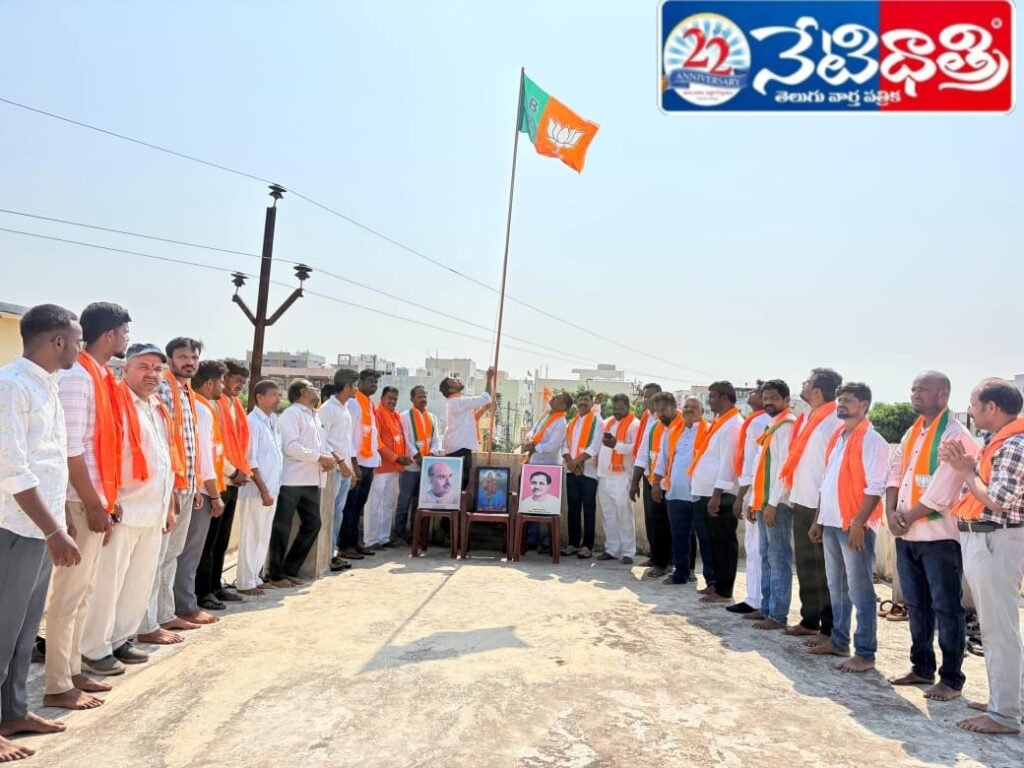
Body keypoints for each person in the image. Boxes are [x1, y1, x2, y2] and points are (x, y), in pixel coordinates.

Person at [0, 305, 81, 761]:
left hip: (41, 527)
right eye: (77, 339)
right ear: (56, 342)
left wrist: (58, 518)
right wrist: (54, 529)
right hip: (13, 528)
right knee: (0, 628)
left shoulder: (47, 385)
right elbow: (12, 470)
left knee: (23, 630)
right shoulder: (11, 386)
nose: (79, 346)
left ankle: (13, 712)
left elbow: (50, 461)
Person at [46, 302, 131, 705]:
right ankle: (58, 685)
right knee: (68, 596)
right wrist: (95, 504)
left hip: (96, 499)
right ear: (111, 335)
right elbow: (71, 450)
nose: (126, 340)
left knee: (83, 593)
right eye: (125, 333)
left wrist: (108, 501)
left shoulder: (98, 377)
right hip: (81, 501)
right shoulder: (79, 378)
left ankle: (73, 671)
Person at [81, 343, 175, 670]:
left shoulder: (157, 408)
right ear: (126, 369)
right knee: (107, 584)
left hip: (153, 510)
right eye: (144, 366)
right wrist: (107, 502)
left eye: (157, 368)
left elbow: (165, 459)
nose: (152, 374)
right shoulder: (114, 401)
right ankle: (93, 649)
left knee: (137, 583)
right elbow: (100, 453)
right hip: (123, 508)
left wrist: (170, 504)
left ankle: (121, 639)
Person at [941, 378, 1024, 735]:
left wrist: (966, 472)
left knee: (998, 630)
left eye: (974, 404)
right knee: (998, 628)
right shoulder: (999, 441)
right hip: (988, 541)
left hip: (997, 542)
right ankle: (1004, 701)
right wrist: (968, 470)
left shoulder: (1014, 444)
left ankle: (1004, 715)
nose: (971, 411)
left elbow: (998, 500)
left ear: (992, 408)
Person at [885, 372, 974, 702]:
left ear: (944, 394)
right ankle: (921, 666)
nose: (915, 394)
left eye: (923, 389)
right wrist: (890, 511)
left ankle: (951, 678)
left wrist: (905, 517)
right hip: (907, 535)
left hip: (939, 538)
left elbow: (943, 491)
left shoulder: (955, 435)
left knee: (946, 607)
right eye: (912, 389)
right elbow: (895, 472)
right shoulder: (913, 432)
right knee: (916, 605)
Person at [808, 382, 887, 673]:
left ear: (864, 406)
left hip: (854, 526)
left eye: (848, 401)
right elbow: (826, 482)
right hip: (831, 523)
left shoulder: (872, 440)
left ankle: (865, 653)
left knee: (860, 590)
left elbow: (875, 487)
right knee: (836, 588)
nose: (841, 405)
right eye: (839, 400)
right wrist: (818, 520)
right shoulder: (839, 437)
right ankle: (839, 641)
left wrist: (857, 523)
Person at [137, 337, 203, 646]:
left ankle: (164, 614)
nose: (189, 361)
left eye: (193, 357)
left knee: (171, 554)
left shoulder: (186, 391)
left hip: (187, 482)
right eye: (182, 357)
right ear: (170, 359)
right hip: (169, 486)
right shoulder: (163, 387)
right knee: (157, 555)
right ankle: (146, 622)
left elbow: (188, 441)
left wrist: (194, 483)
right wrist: (176, 486)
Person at [778, 368, 843, 644]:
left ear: (817, 390)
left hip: (821, 506)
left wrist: (820, 511)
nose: (802, 385)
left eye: (806, 382)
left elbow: (831, 468)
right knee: (806, 566)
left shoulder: (834, 421)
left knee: (824, 570)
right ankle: (809, 620)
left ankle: (828, 629)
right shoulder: (808, 418)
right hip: (801, 500)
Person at [173, 359, 227, 623]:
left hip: (193, 488)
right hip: (200, 491)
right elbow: (204, 458)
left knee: (182, 553)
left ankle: (180, 604)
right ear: (209, 383)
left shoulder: (195, 405)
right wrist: (215, 495)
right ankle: (185, 605)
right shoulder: (201, 410)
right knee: (189, 553)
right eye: (221, 381)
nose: (224, 386)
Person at [195, 360, 251, 611]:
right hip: (219, 480)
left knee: (221, 540)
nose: (240, 384)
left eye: (243, 381)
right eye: (235, 379)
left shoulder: (233, 405)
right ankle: (202, 591)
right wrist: (233, 471)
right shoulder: (212, 405)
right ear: (223, 379)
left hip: (233, 479)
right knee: (207, 541)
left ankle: (215, 585)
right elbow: (214, 448)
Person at [268, 380, 333, 585]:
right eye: (312, 387)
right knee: (282, 527)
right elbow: (291, 447)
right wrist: (319, 458)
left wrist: (328, 458)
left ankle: (290, 568)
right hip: (292, 479)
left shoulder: (314, 415)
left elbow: (321, 445)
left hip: (312, 479)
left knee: (313, 523)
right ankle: (276, 574)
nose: (316, 389)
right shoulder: (292, 414)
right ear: (303, 392)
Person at [746, 380, 796, 630]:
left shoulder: (787, 426)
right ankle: (766, 608)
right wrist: (755, 501)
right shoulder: (772, 425)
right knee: (766, 557)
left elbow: (785, 470)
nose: (768, 403)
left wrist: (773, 504)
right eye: (765, 398)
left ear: (786, 400)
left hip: (777, 503)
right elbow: (760, 467)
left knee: (778, 559)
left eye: (774, 398)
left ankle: (777, 615)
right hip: (763, 501)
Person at [688, 381, 743, 604]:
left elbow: (727, 464)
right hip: (710, 492)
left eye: (711, 396)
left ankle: (724, 590)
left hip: (722, 494)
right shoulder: (721, 422)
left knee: (723, 541)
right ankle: (717, 585)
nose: (708, 401)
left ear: (725, 398)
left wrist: (717, 495)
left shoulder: (732, 426)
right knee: (713, 542)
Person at [235, 380, 284, 594]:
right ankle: (245, 582)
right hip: (257, 490)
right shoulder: (252, 422)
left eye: (278, 395)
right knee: (251, 535)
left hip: (272, 488)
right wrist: (263, 489)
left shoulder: (273, 421)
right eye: (273, 395)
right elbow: (251, 460)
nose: (278, 399)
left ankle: (255, 575)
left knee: (263, 535)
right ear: (259, 397)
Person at [652, 394, 704, 585]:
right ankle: (680, 573)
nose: (689, 409)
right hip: (674, 492)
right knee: (679, 534)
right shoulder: (673, 432)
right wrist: (656, 483)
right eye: (687, 406)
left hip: (698, 493)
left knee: (698, 536)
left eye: (694, 407)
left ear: (702, 412)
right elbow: (662, 459)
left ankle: (695, 572)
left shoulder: (707, 431)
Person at [728, 386, 769, 615]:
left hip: (756, 491)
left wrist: (741, 496)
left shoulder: (757, 423)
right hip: (759, 490)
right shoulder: (758, 421)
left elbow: (752, 465)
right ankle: (757, 598)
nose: (752, 395)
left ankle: (757, 600)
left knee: (755, 548)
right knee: (756, 548)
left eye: (758, 391)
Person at [338, 370, 380, 561]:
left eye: (376, 382)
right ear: (360, 382)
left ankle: (355, 543)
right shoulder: (354, 403)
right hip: (357, 463)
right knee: (350, 506)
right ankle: (345, 545)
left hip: (369, 462)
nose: (374, 385)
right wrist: (354, 465)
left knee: (359, 506)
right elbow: (350, 436)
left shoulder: (370, 404)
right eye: (371, 381)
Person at [630, 383, 671, 572]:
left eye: (652, 397)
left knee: (663, 522)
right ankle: (655, 557)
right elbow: (642, 451)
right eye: (645, 397)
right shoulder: (649, 419)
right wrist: (635, 481)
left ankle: (665, 563)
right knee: (651, 520)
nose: (648, 401)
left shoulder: (670, 420)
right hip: (649, 477)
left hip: (664, 480)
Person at [319, 368, 356, 571]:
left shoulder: (345, 408)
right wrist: (340, 462)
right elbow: (323, 441)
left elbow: (346, 442)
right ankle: (325, 554)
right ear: (347, 386)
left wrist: (349, 467)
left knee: (337, 514)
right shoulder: (328, 409)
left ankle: (332, 553)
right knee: (329, 513)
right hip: (333, 469)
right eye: (354, 385)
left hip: (344, 470)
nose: (356, 389)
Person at [365, 386, 412, 548]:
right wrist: (396, 457)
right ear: (382, 398)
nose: (392, 401)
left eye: (395, 399)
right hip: (380, 466)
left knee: (387, 504)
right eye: (389, 398)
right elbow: (378, 443)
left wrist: (402, 458)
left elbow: (401, 440)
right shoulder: (377, 413)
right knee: (374, 503)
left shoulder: (396, 415)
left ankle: (384, 538)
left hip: (395, 467)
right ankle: (370, 540)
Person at [596, 393, 639, 564]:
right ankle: (612, 549)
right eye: (615, 408)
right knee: (608, 514)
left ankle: (628, 552)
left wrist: (617, 445)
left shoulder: (634, 425)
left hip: (622, 476)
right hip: (604, 475)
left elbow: (635, 448)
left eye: (621, 408)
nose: (617, 411)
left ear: (628, 407)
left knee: (624, 513)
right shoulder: (608, 422)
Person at [561, 391, 603, 558]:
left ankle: (587, 546)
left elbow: (594, 447)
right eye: (580, 400)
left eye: (586, 400)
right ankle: (572, 543)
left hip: (589, 472)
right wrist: (570, 463)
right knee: (573, 508)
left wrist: (575, 462)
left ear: (592, 403)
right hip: (572, 471)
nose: (583, 402)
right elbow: (564, 445)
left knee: (589, 509)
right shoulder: (571, 423)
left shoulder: (597, 422)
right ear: (576, 403)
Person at [442, 367, 496, 490]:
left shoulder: (457, 402)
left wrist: (483, 409)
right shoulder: (456, 401)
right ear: (451, 389)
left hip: (460, 447)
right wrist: (489, 378)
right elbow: (486, 397)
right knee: (458, 485)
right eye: (453, 381)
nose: (457, 380)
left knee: (461, 483)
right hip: (458, 448)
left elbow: (472, 420)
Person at [397, 386, 440, 538]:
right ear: (412, 399)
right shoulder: (404, 416)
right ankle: (400, 534)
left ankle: (415, 535)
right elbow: (406, 439)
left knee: (419, 503)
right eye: (419, 396)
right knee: (404, 501)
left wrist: (430, 456)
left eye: (425, 396)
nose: (423, 399)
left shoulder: (432, 417)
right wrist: (417, 456)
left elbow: (436, 441)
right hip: (410, 466)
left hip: (426, 466)